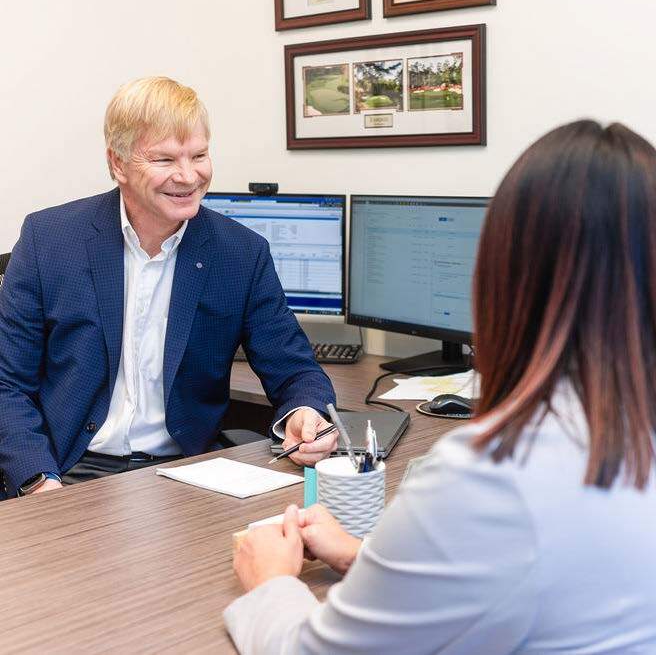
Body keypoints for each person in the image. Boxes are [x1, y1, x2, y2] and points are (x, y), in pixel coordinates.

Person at [224, 120, 656, 653]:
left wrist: (270, 581)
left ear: (503, 274)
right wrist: (364, 556)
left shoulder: (494, 472)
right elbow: (536, 578)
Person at [0, 76, 337, 499]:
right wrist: (38, 482)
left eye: (199, 155)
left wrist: (305, 412)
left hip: (187, 473)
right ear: (118, 164)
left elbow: (294, 369)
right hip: (68, 472)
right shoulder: (48, 240)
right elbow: (6, 383)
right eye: (163, 159)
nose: (188, 175)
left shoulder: (240, 253)